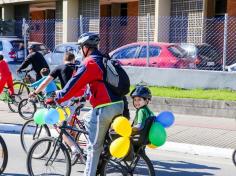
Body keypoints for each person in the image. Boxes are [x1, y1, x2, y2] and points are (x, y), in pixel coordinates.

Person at [55, 32, 124, 176]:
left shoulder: (90, 62)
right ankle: (104, 151)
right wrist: (83, 98)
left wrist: (57, 97)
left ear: (86, 47)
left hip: (105, 108)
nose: (80, 50)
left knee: (93, 148)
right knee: (87, 118)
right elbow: (96, 85)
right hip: (118, 104)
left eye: (81, 47)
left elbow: (73, 84)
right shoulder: (103, 58)